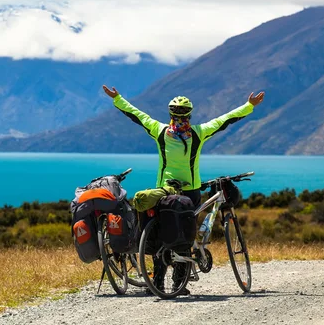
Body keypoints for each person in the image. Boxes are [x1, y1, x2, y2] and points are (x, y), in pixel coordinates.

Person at [102, 85, 265, 294]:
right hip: (191, 192)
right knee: (186, 234)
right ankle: (180, 282)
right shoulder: (199, 133)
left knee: (161, 234)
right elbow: (226, 120)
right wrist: (249, 105)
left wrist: (118, 98)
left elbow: (136, 115)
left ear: (170, 113)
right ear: (190, 114)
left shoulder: (159, 131)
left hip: (164, 191)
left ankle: (158, 283)